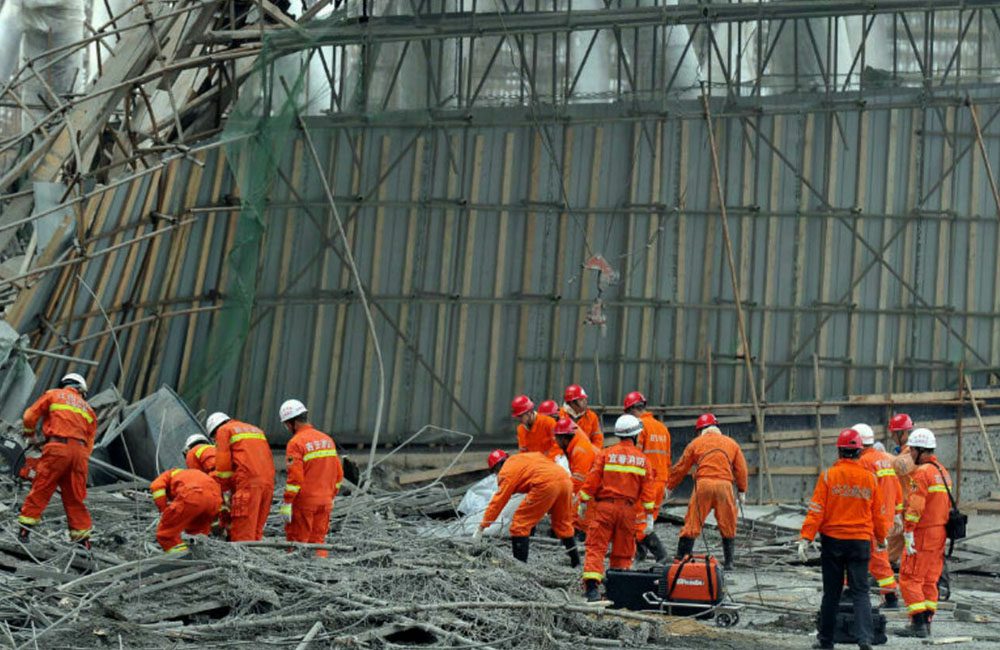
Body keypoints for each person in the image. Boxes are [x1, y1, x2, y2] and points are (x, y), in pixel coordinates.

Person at [798, 429, 887, 650]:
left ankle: (826, 642)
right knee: (861, 592)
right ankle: (865, 639)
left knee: (832, 593)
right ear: (859, 451)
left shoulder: (828, 476)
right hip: (860, 542)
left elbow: (816, 510)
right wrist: (881, 537)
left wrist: (806, 537)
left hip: (833, 541)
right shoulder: (870, 479)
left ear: (839, 451)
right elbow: (878, 513)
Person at [579, 414, 657, 602]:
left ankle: (592, 590)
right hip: (628, 511)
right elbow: (648, 492)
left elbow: (592, 480)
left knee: (596, 547)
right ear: (636, 435)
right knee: (623, 551)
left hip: (605, 508)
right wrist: (649, 517)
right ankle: (617, 590)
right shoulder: (643, 460)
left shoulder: (605, 454)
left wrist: (583, 500)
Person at [17, 373, 97, 547]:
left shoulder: (54, 394)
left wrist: (30, 436)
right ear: (81, 390)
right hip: (80, 454)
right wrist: (78, 456)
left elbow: (29, 416)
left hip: (57, 448)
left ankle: (24, 532)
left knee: (42, 488)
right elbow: (90, 441)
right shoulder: (89, 410)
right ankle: (84, 542)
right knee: (75, 497)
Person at [666, 413, 748, 570]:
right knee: (728, 524)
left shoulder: (696, 443)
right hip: (725, 486)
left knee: (692, 523)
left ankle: (681, 559)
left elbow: (681, 467)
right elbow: (741, 469)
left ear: (701, 430)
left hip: (703, 486)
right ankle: (729, 563)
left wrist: (669, 486)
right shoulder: (732, 444)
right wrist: (742, 490)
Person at [474, 450, 578, 567]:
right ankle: (576, 561)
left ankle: (520, 567)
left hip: (545, 484)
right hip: (565, 480)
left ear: (497, 467)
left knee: (520, 523)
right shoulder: (523, 458)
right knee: (563, 524)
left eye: (495, 472)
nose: (497, 474)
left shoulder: (506, 472)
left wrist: (483, 526)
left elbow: (498, 501)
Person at [896, 428, 952, 638]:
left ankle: (917, 623)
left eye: (911, 451)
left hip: (923, 532)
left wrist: (908, 531)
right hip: (940, 533)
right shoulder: (942, 471)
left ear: (920, 450)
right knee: (929, 579)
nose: (909, 455)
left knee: (909, 577)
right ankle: (927, 621)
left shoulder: (922, 473)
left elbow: (916, 506)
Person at [280, 399, 343, 558]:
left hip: (304, 503)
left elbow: (295, 478)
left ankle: (297, 578)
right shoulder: (327, 440)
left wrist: (287, 502)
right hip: (325, 502)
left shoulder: (296, 443)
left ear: (291, 422)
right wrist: (331, 495)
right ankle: (319, 575)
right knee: (318, 542)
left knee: (297, 543)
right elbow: (339, 474)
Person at [855, 422, 903, 608]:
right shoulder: (885, 459)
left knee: (873, 559)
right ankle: (889, 595)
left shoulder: (863, 463)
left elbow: (864, 493)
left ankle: (890, 597)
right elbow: (897, 486)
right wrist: (897, 512)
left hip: (872, 519)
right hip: (886, 516)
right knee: (876, 558)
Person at [207, 411, 275, 542]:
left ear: (215, 431)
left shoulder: (224, 431)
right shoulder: (256, 430)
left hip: (248, 485)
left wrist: (224, 491)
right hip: (268, 485)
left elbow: (223, 470)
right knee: (256, 533)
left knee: (242, 536)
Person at [625, 391, 670, 563]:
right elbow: (667, 457)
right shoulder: (662, 428)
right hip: (660, 481)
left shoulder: (639, 426)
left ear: (631, 410)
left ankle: (661, 555)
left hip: (646, 483)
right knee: (646, 519)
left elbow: (636, 456)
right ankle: (640, 553)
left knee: (639, 522)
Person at [150, 468, 223, 554]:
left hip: (193, 497)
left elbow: (156, 487)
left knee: (166, 534)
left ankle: (181, 558)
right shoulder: (191, 473)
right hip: (215, 501)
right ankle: (200, 558)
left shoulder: (167, 476)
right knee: (197, 534)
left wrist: (164, 510)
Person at [553, 416, 597, 535]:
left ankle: (582, 530)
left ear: (563, 438)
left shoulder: (579, 450)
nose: (555, 441)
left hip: (597, 486)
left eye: (556, 437)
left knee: (577, 509)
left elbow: (580, 483)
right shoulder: (574, 447)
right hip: (594, 483)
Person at [887, 413, 915, 563]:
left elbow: (900, 466)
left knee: (914, 545)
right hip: (902, 506)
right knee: (892, 545)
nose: (892, 437)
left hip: (911, 507)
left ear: (902, 433)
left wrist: (878, 456)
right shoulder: (904, 452)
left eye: (893, 433)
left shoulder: (913, 451)